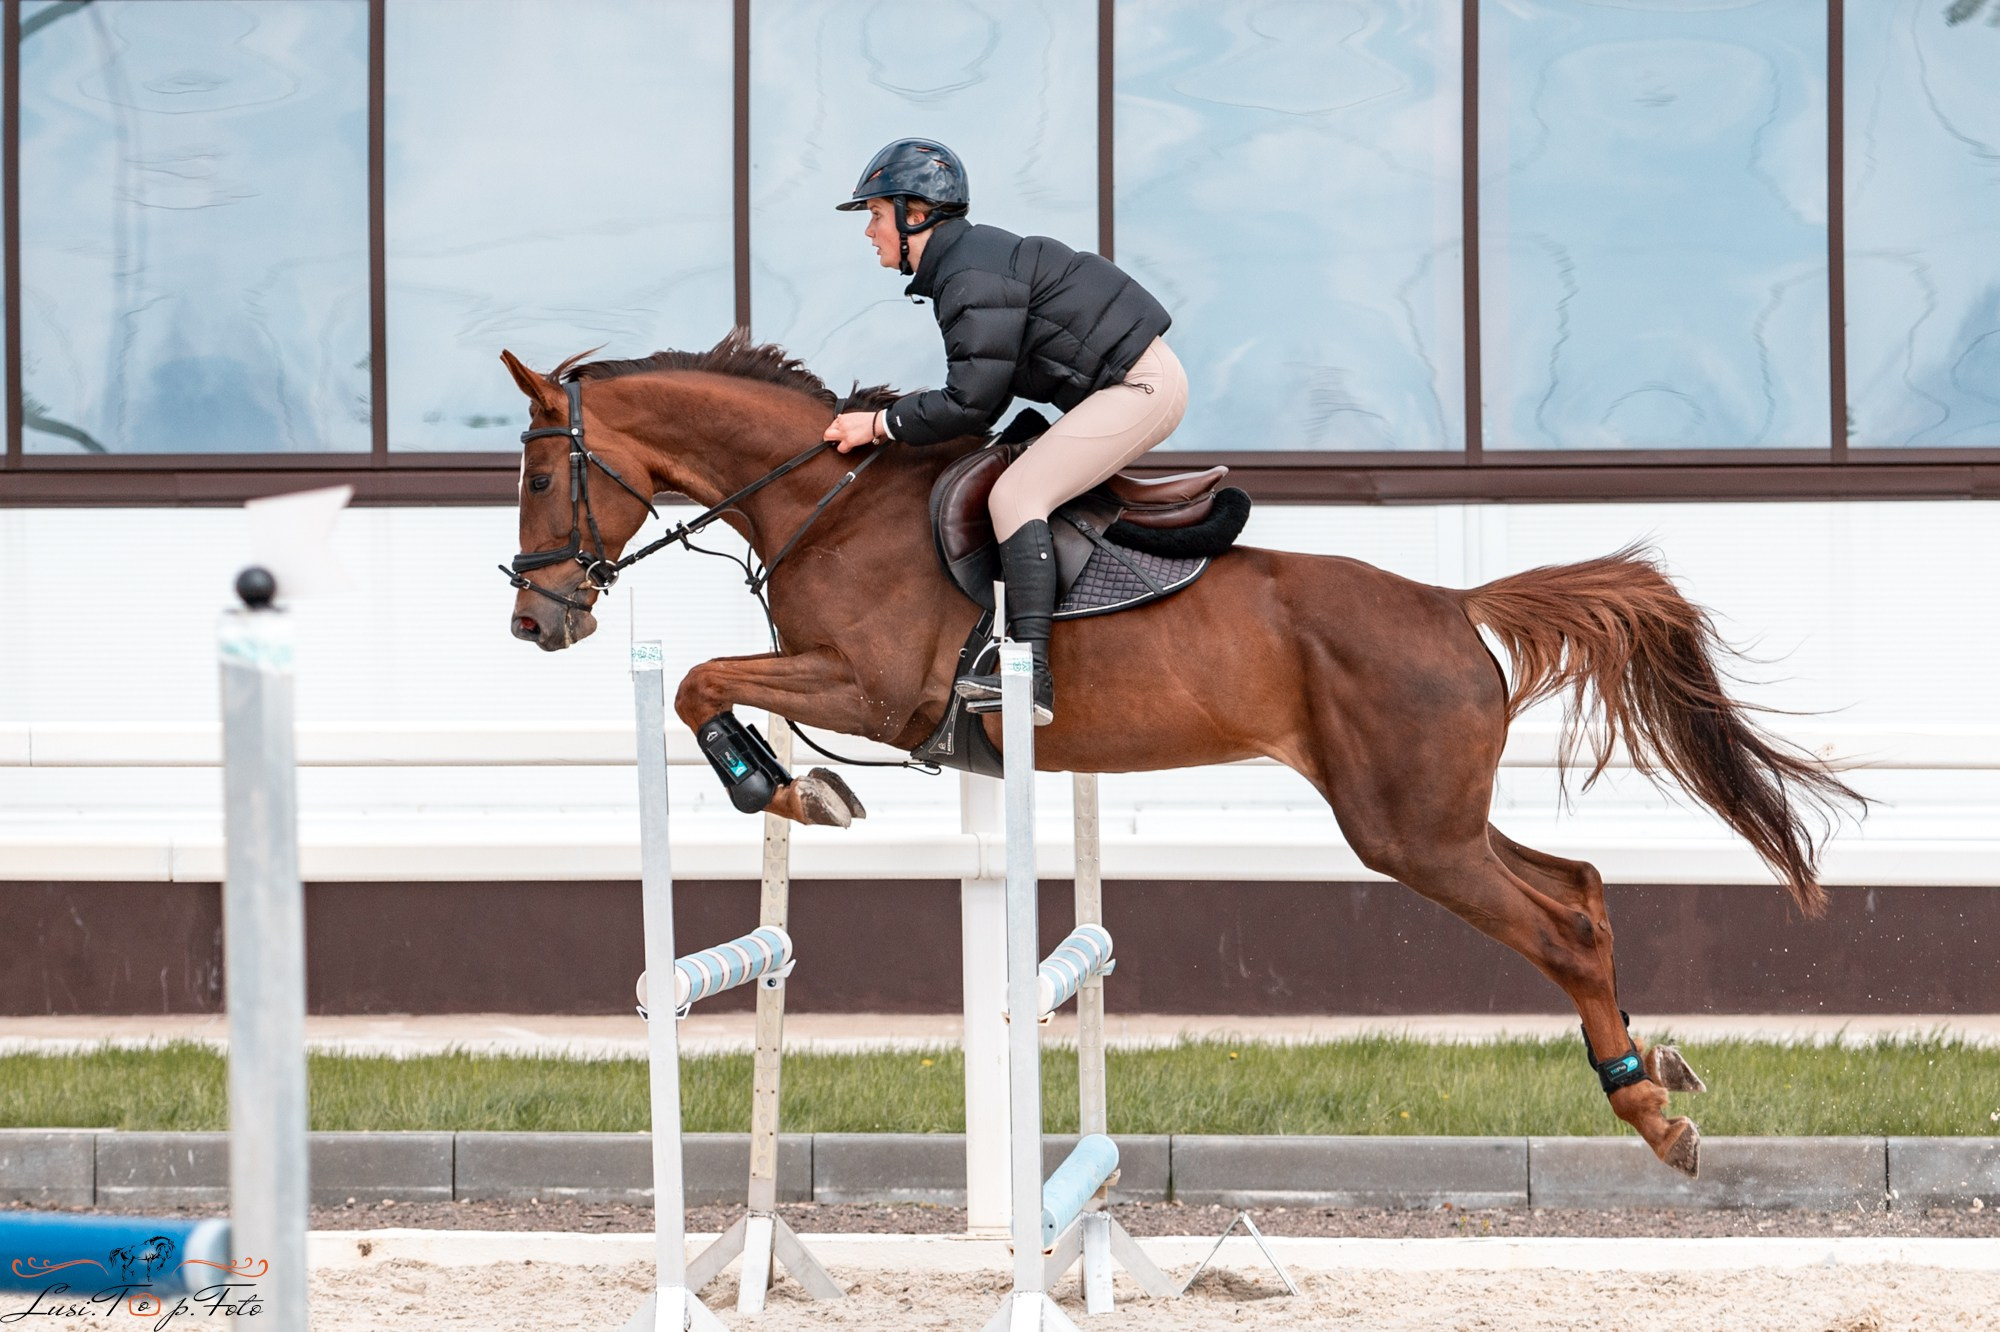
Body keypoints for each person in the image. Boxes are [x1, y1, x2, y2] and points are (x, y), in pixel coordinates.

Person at [823, 138, 1187, 726]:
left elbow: (969, 402)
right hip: (1129, 383)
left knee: (1016, 495)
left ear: (916, 215)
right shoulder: (968, 265)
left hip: (1139, 386)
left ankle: (1028, 675)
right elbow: (982, 396)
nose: (869, 231)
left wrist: (881, 424)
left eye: (875, 214)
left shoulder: (969, 274)